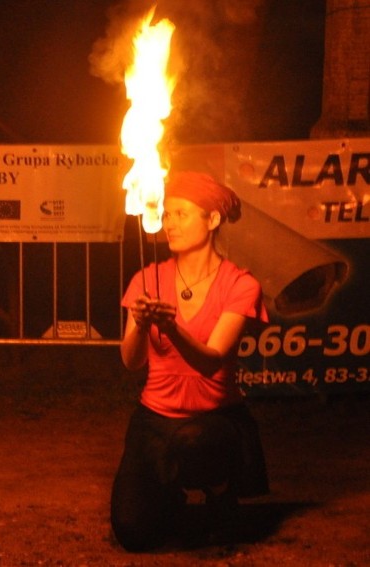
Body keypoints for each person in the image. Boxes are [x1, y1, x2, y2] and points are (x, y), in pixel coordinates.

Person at [110, 171, 269, 552]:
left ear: (212, 220)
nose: (170, 223)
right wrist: (140, 326)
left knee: (195, 443)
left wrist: (172, 327)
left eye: (181, 214)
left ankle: (219, 492)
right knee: (132, 532)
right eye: (166, 214)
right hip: (154, 419)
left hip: (213, 421)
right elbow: (132, 362)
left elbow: (212, 362)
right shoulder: (147, 279)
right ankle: (171, 496)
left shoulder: (240, 285)